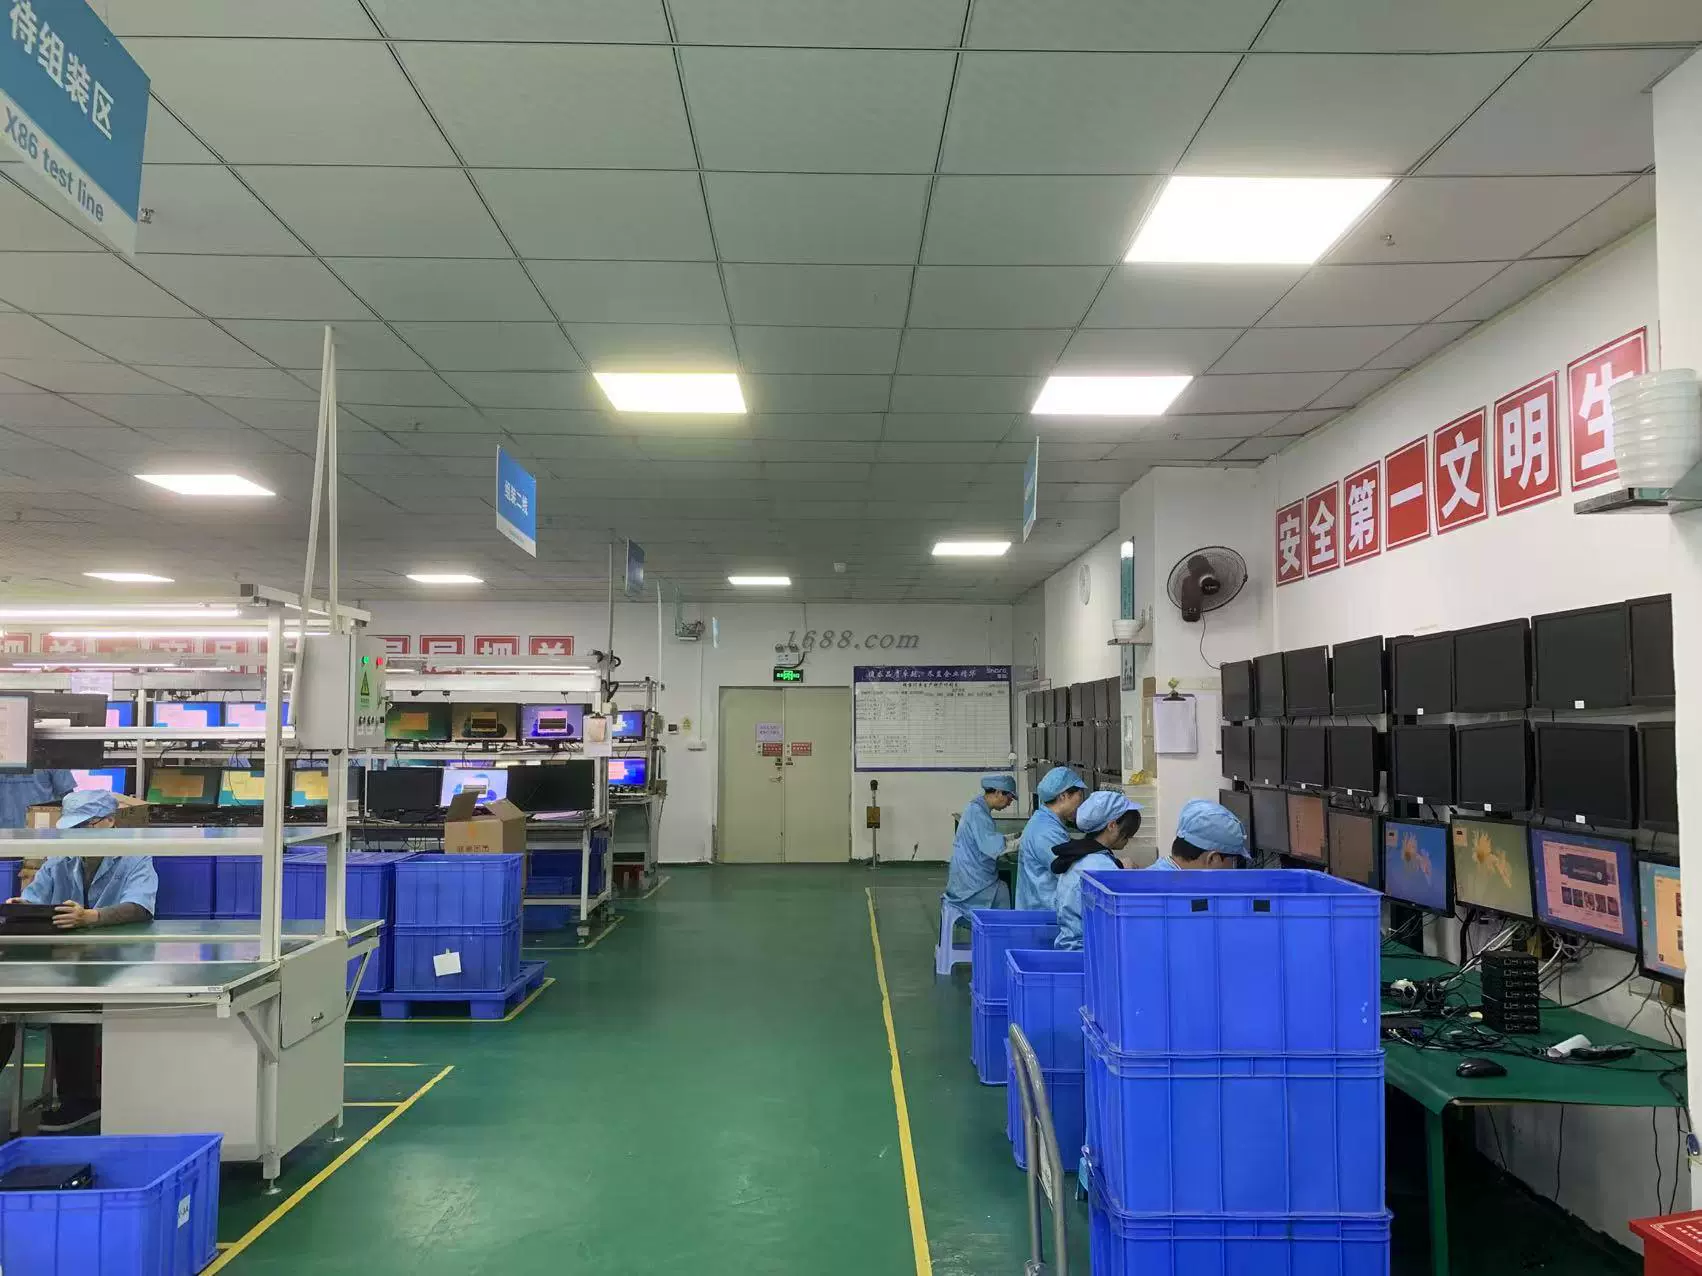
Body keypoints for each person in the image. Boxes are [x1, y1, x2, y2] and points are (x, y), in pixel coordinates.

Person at [0, 789, 158, 1132]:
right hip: (63, 961)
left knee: (73, 1000)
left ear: (109, 822)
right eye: (72, 828)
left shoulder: (135, 857)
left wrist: (91, 917)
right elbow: (35, 897)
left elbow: (140, 906)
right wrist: (23, 909)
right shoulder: (61, 859)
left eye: (84, 826)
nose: (76, 835)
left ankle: (79, 1101)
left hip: (118, 964)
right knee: (6, 1004)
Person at [1052, 791, 1143, 950]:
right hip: (1090, 953)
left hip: (1071, 947)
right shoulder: (1102, 867)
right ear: (1112, 825)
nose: (1128, 839)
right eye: (1127, 833)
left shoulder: (1078, 855)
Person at [1016, 766, 1087, 910]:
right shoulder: (1047, 831)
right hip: (1044, 912)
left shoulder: (1045, 821)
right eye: (1079, 795)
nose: (1081, 802)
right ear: (1063, 796)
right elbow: (1072, 874)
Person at [945, 773, 1018, 910]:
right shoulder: (978, 813)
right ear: (998, 792)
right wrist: (1024, 841)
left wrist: (1012, 837)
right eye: (1009, 798)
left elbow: (986, 837)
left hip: (966, 872)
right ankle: (999, 923)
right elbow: (993, 847)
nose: (1009, 803)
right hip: (972, 882)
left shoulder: (977, 807)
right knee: (1003, 892)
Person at [1149, 799, 1251, 871]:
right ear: (1213, 859)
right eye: (1234, 862)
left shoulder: (1154, 874)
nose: (1234, 869)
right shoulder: (1181, 892)